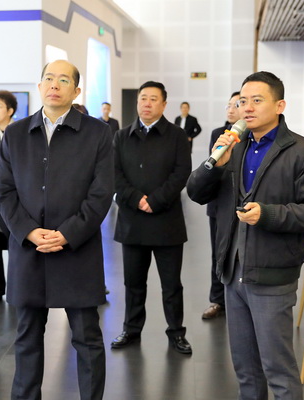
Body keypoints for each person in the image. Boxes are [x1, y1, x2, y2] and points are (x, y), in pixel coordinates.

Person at [187, 71, 304, 400]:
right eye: (242, 101)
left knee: (278, 369)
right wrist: (214, 163)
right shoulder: (234, 146)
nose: (247, 107)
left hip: (272, 274)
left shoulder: (303, 151)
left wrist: (268, 214)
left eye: (257, 100)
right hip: (232, 272)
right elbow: (195, 193)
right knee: (245, 370)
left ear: (280, 105)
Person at [0, 60, 113, 400]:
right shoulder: (16, 134)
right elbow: (4, 191)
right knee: (27, 337)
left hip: (77, 249)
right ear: (39, 86)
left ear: (76, 91)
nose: (54, 85)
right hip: (29, 250)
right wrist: (29, 231)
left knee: (87, 337)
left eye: (63, 80)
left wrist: (68, 233)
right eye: (48, 78)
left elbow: (102, 192)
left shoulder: (97, 133)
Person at [110, 81, 193, 354]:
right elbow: (114, 174)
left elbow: (181, 173)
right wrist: (136, 199)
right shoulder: (121, 136)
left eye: (153, 99)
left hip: (166, 221)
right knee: (133, 283)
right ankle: (131, 330)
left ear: (164, 104)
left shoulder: (177, 136)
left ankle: (176, 332)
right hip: (132, 222)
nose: (147, 103)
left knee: (172, 285)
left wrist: (155, 201)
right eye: (143, 98)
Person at [201, 91, 240, 320]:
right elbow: (213, 167)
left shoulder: (252, 136)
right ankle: (217, 300)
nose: (231, 109)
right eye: (229, 105)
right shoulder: (219, 134)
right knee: (218, 253)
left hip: (244, 206)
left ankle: (238, 299)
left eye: (236, 104)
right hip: (219, 204)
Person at [0, 90, 18, 301]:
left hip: (15, 199)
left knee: (16, 246)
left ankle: (18, 288)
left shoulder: (19, 133)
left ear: (10, 110)